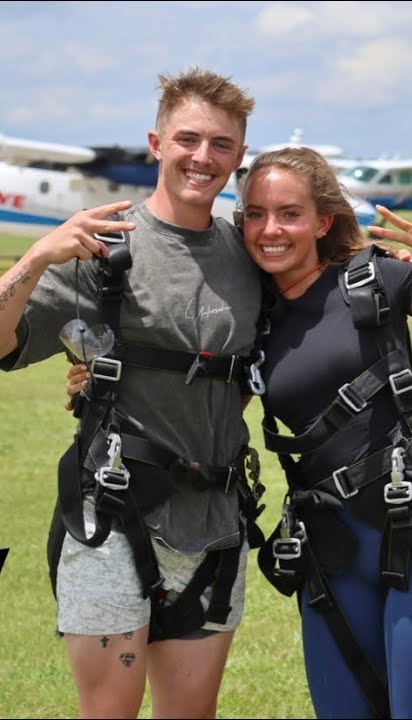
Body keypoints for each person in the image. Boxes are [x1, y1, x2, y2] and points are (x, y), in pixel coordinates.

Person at [225, 146, 412, 718]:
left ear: (322, 221)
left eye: (289, 214)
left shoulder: (372, 281)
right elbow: (213, 408)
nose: (270, 229)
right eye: (256, 214)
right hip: (327, 554)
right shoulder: (251, 316)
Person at [0, 67, 262, 718]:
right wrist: (37, 260)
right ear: (156, 142)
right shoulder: (98, 245)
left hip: (217, 528)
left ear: (239, 156)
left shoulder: (249, 253)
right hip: (114, 523)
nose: (203, 157)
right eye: (188, 139)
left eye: (222, 145)